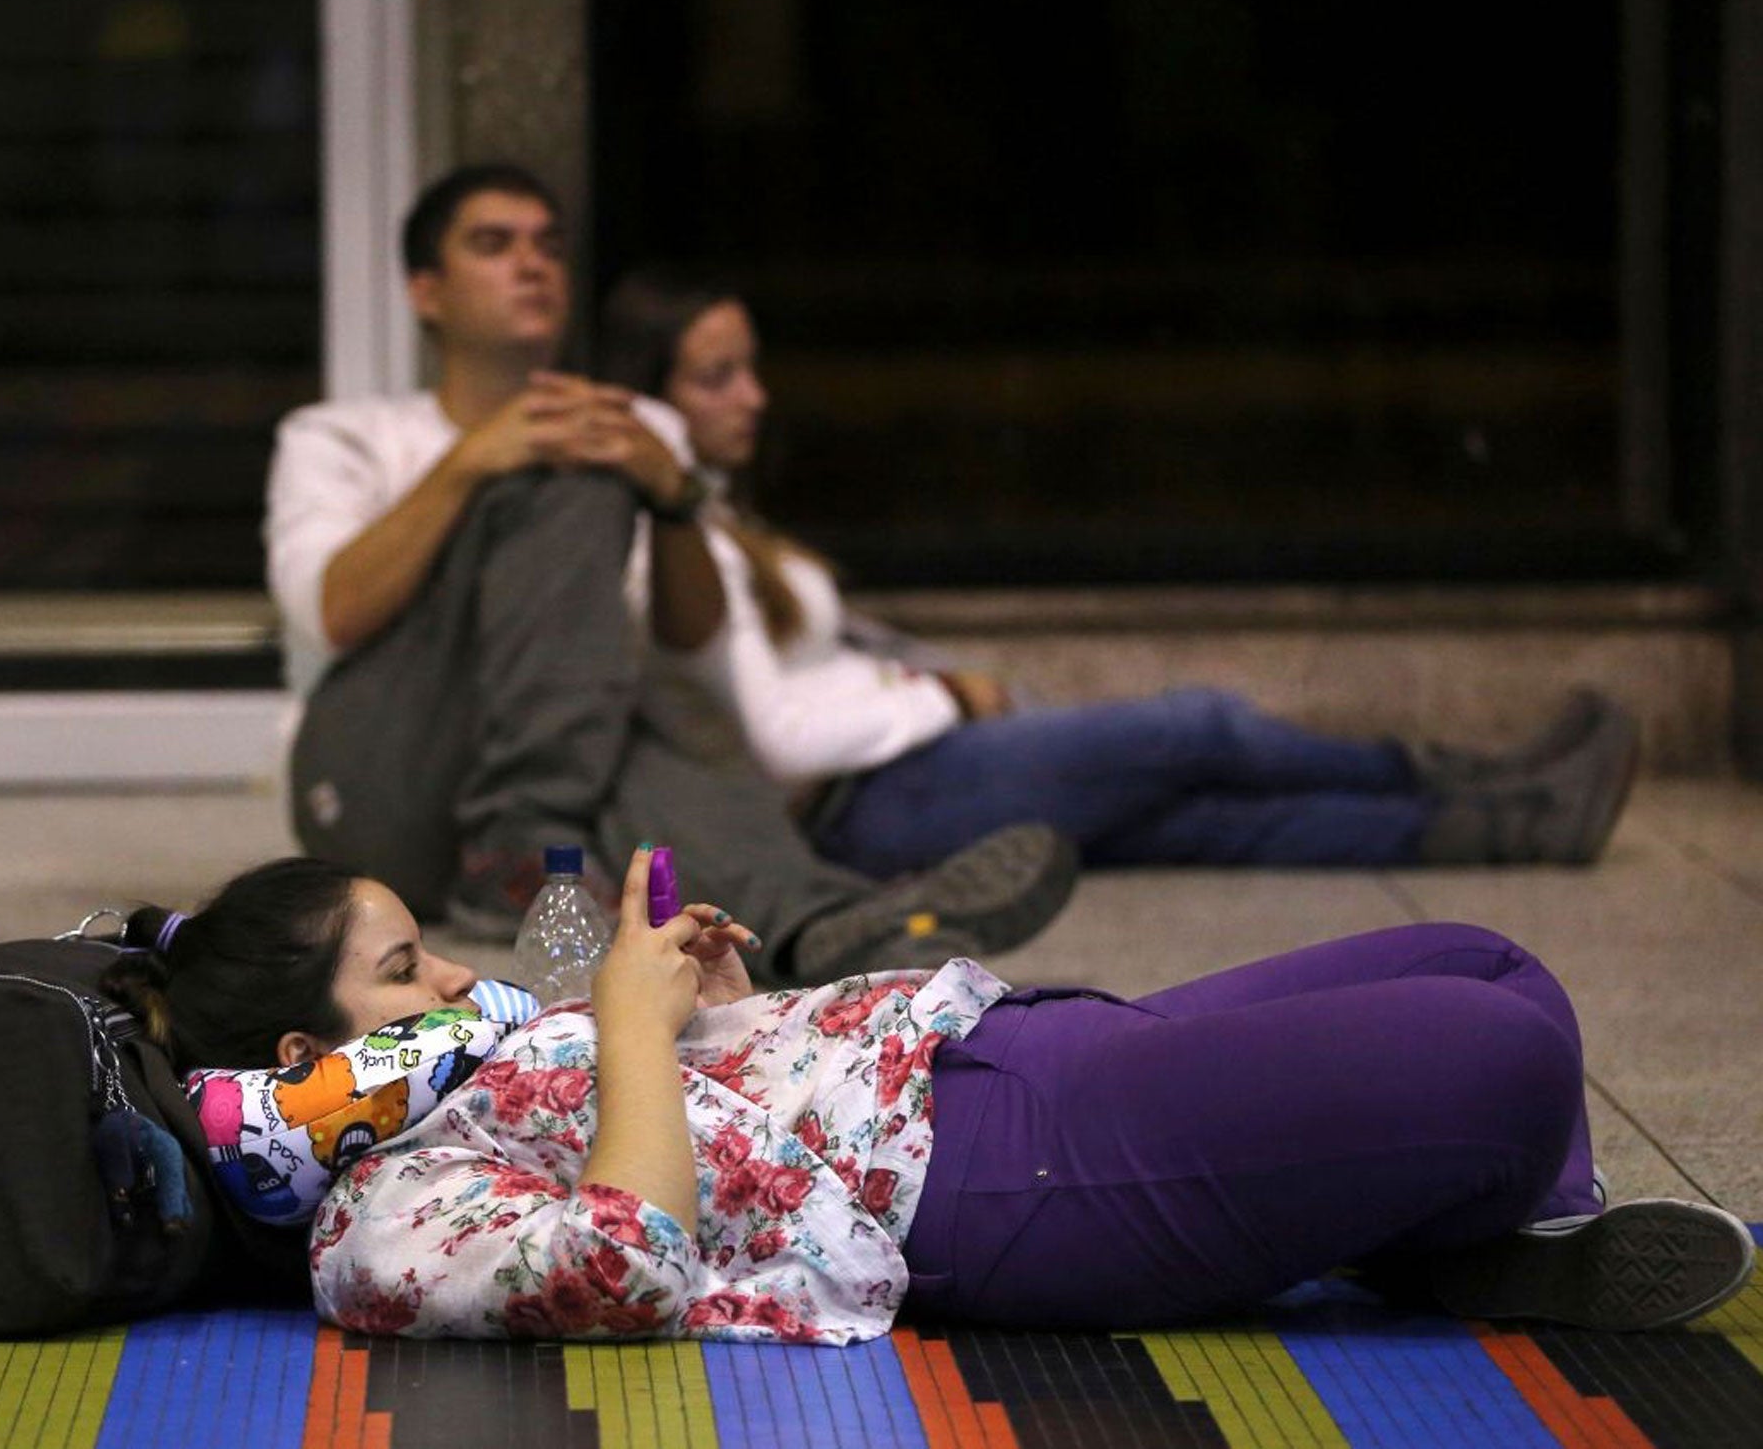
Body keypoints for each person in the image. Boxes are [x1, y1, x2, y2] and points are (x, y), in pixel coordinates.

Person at [102, 848, 1755, 1343]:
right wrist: (619, 1023)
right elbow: (628, 1253)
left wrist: (723, 1014)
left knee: (1486, 963)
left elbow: (690, 1111)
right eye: (400, 977)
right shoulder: (379, 1224)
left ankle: (1443, 1243)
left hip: (992, 1046)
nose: (454, 982)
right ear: (293, 1076)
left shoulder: (482, 1062)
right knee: (1506, 1062)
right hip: (992, 1183)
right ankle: (1455, 1219)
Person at [263, 165, 1076, 980]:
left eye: (549, 245)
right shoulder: (342, 435)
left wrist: (674, 494)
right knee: (571, 477)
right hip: (378, 779)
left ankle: (821, 925)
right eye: (493, 244)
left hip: (556, 791)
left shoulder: (634, 428)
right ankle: (530, 837)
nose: (533, 263)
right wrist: (472, 464)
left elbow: (690, 641)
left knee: (645, 703)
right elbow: (328, 613)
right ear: (427, 292)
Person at [595, 271, 1644, 879]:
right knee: (1201, 728)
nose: (755, 397)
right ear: (649, 394)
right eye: (716, 375)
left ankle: (1512, 822)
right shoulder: (664, 544)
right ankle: (1451, 774)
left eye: (750, 367)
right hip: (867, 808)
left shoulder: (716, 519)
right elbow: (780, 739)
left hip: (895, 781)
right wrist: (939, 694)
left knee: (1201, 821)